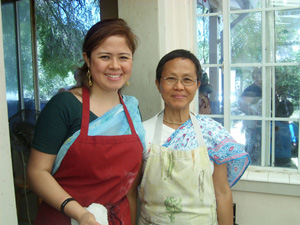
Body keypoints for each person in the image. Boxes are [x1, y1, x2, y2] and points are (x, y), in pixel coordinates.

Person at [27, 18, 145, 225]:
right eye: (105, 57)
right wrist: (80, 214)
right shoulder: (64, 105)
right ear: (88, 59)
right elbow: (37, 172)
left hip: (117, 219)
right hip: (65, 217)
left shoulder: (132, 110)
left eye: (123, 57)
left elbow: (130, 188)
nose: (115, 65)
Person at [138, 49, 250, 225]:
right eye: (171, 78)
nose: (179, 87)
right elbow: (130, 193)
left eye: (187, 79)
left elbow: (222, 192)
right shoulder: (142, 133)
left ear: (197, 85)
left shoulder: (211, 132)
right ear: (158, 83)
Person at [239, 67, 262, 165]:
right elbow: (243, 105)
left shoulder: (260, 89)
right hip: (253, 124)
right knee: (253, 146)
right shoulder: (253, 89)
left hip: (256, 123)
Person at [273, 98, 299, 167]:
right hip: (286, 157)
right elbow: (295, 143)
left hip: (274, 156)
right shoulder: (294, 127)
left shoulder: (275, 125)